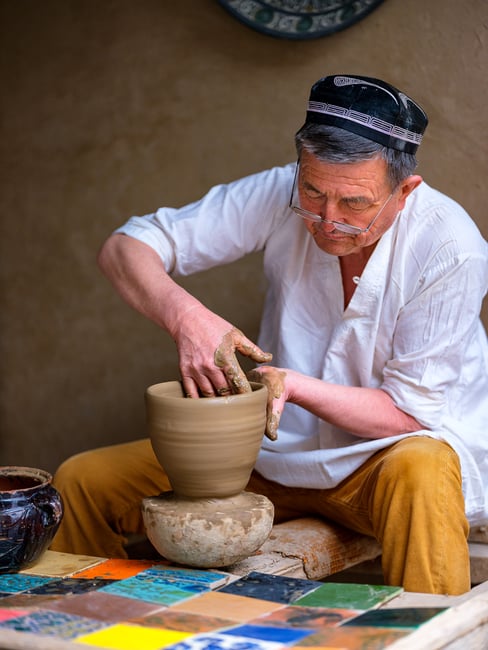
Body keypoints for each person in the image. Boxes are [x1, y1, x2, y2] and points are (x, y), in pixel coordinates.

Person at [51, 74, 488, 595]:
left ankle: (430, 636)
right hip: (270, 460)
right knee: (82, 481)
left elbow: (410, 413)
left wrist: (296, 386)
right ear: (300, 170)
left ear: (403, 192)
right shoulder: (281, 193)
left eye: (354, 204)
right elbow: (126, 247)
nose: (327, 220)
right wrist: (187, 317)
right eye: (312, 191)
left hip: (383, 463)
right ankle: (82, 625)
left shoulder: (450, 247)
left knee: (425, 465)